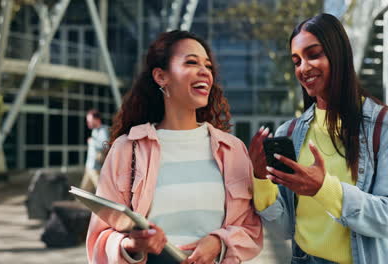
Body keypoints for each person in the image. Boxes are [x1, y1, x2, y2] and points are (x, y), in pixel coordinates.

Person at [87, 30, 263, 264]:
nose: (205, 72)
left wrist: (219, 242)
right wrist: (131, 245)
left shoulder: (232, 149)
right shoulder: (127, 149)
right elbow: (99, 238)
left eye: (208, 66)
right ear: (161, 76)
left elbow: (250, 228)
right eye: (191, 62)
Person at [249, 13, 388, 264]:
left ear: (339, 55)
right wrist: (261, 179)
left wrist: (323, 189)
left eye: (313, 54)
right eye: (296, 61)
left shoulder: (387, 126)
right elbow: (283, 229)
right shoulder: (288, 134)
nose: (303, 68)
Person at [80, 109, 109, 193]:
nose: (88, 122)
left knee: (102, 192)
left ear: (97, 119)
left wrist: (92, 142)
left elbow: (106, 146)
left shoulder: (103, 130)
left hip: (96, 168)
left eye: (90, 120)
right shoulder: (94, 131)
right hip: (90, 166)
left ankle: (108, 205)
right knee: (83, 191)